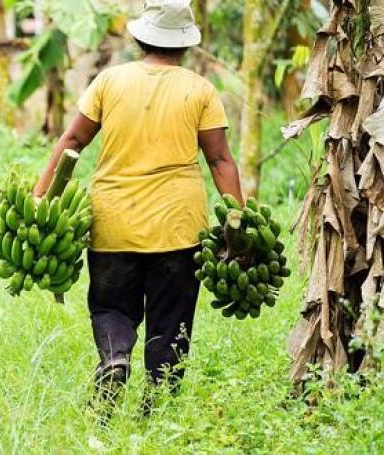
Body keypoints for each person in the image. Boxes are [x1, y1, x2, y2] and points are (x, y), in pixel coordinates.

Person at [33, 0, 243, 413]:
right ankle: (158, 406)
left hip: (114, 223)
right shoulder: (199, 90)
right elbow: (219, 160)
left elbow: (73, 142)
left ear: (140, 36)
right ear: (185, 45)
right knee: (171, 317)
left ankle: (114, 358)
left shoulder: (109, 82)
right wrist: (240, 218)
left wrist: (41, 196)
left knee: (112, 307)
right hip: (178, 228)